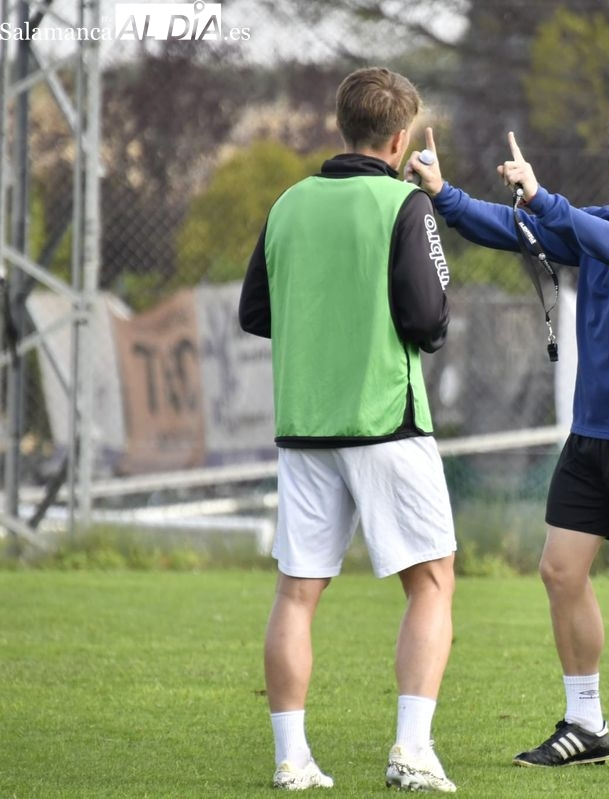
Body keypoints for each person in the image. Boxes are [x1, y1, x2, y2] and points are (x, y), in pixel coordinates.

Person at [408, 93, 609, 772]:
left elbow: (594, 237)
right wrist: (443, 193)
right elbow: (513, 228)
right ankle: (586, 721)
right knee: (559, 570)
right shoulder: (597, 221)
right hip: (592, 432)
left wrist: (544, 198)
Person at [239, 66, 458, 793]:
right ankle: (412, 750)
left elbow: (255, 313)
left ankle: (291, 758)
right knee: (431, 582)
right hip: (385, 421)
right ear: (400, 137)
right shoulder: (405, 204)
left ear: (343, 126)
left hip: (305, 425)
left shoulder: (288, 203)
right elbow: (429, 322)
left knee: (297, 592)